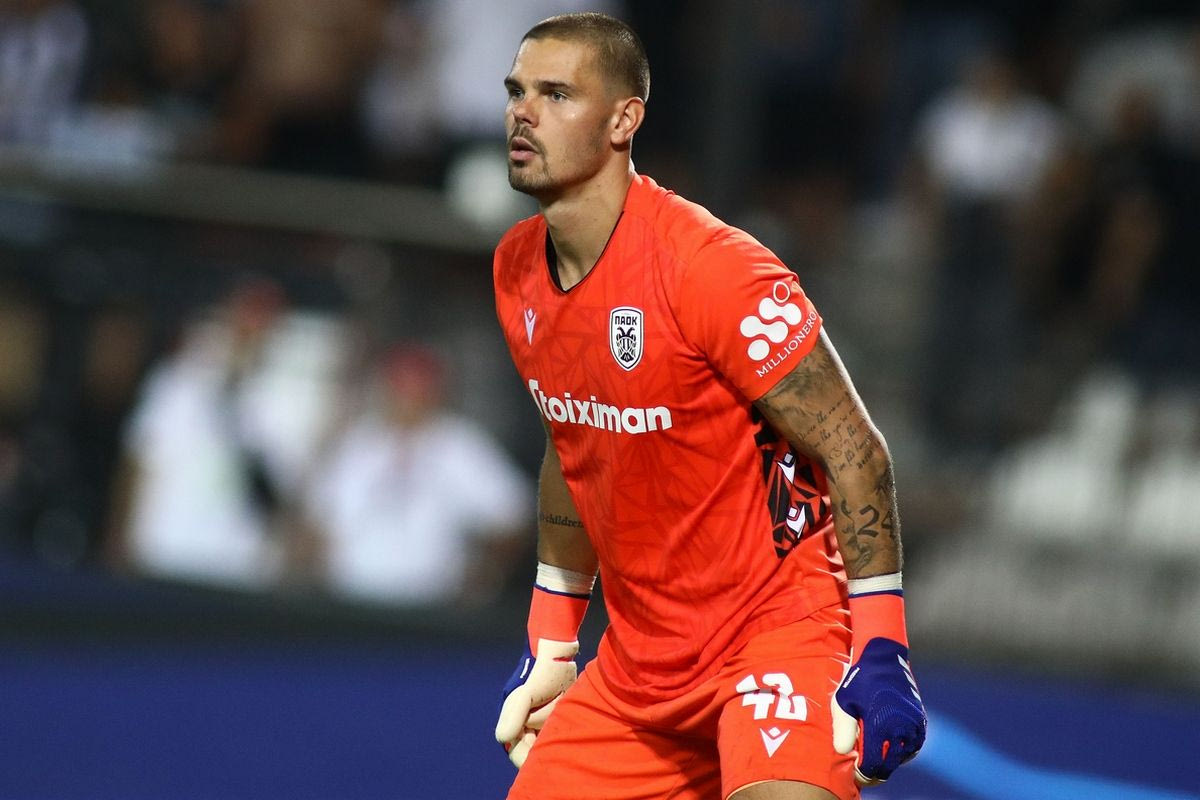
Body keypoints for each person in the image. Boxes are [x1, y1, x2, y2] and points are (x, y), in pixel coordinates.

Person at [490, 12, 926, 800]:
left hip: (777, 633)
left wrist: (881, 645)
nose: (524, 113)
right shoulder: (516, 268)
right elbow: (574, 437)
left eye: (556, 95)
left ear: (623, 120)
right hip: (639, 670)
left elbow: (853, 447)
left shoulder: (709, 268)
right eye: (517, 92)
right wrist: (552, 639)